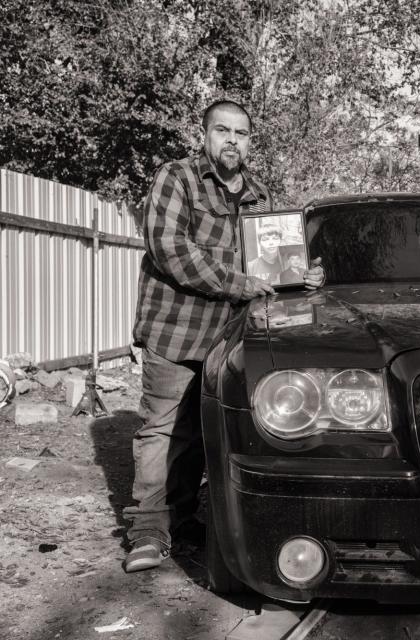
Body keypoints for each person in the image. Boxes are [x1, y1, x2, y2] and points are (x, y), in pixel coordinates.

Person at [124, 99, 326, 573]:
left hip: (230, 341)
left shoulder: (258, 195)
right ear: (206, 135)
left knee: (200, 436)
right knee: (161, 431)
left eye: (241, 133)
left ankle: (181, 518)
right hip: (175, 332)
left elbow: (271, 263)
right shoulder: (176, 178)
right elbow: (171, 249)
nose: (233, 140)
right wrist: (238, 282)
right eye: (223, 131)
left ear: (250, 141)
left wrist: (303, 275)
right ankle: (148, 532)